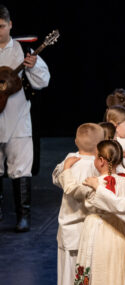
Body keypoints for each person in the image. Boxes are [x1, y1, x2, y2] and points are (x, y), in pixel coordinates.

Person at [57, 140, 125, 285]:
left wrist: (67, 169)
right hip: (120, 231)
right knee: (117, 276)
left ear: (100, 160)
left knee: (95, 276)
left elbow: (72, 189)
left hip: (98, 230)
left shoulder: (94, 182)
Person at [0, 4, 50, 231]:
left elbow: (42, 82)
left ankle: (23, 216)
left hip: (18, 117)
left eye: (1, 26)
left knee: (20, 166)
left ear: (10, 24)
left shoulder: (23, 51)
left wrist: (33, 66)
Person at [51, 123, 103, 285]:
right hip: (90, 231)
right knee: (87, 279)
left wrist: (67, 167)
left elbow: (56, 178)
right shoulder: (100, 166)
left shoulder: (69, 161)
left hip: (70, 231)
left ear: (75, 141)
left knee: (69, 278)